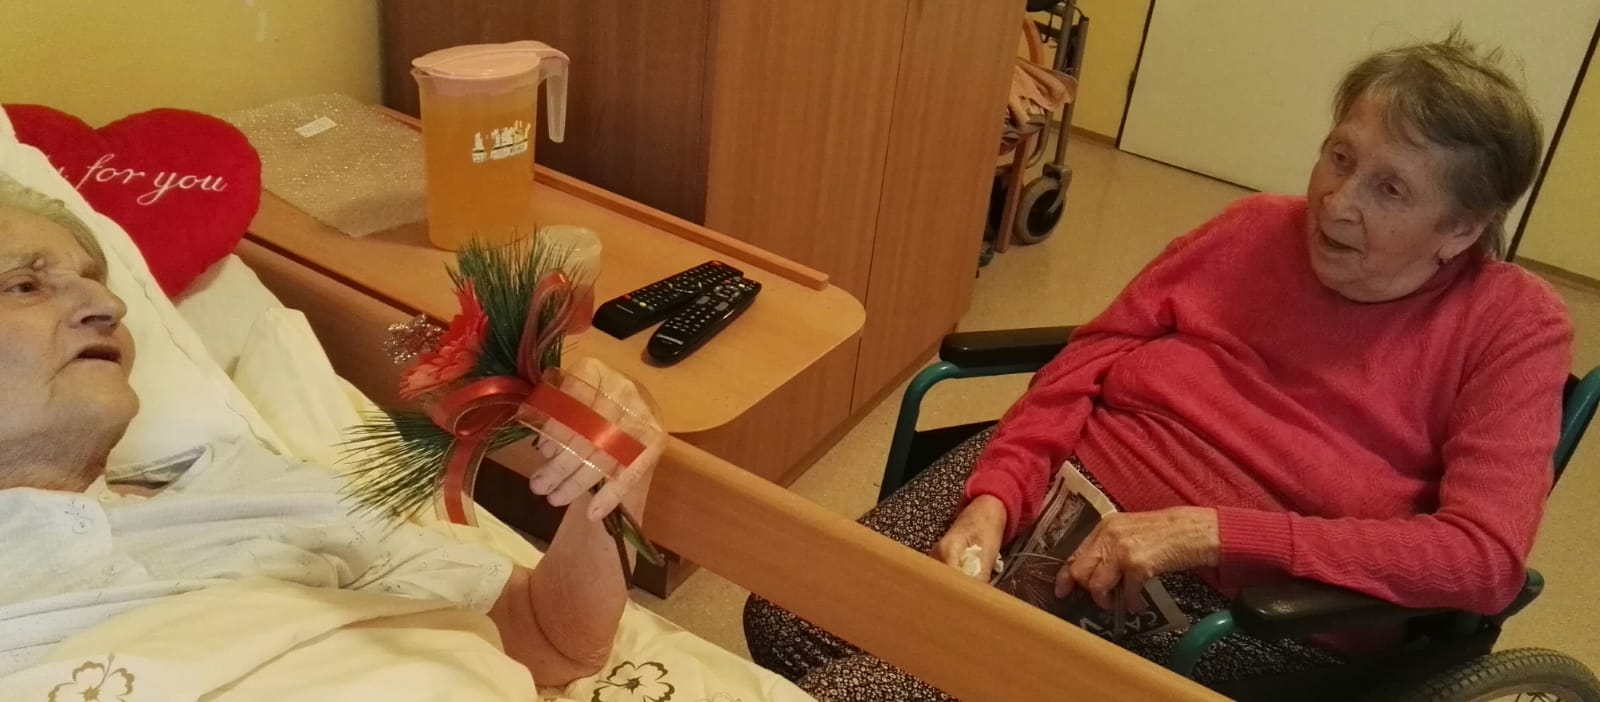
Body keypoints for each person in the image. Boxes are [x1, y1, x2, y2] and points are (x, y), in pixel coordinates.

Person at [745, 33, 1574, 700]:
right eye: (1340, 156)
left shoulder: (1511, 326)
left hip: (1237, 607)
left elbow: (1482, 558)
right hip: (1063, 489)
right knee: (786, 612)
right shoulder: (1253, 229)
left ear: (1461, 228)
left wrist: (1206, 531)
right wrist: (1000, 493)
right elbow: (1090, 358)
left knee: (853, 691)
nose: (1337, 199)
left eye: (1390, 190)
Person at [0, 169, 665, 688]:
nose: (109, 304)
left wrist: (608, 484)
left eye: (96, 280)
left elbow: (551, 639)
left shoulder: (257, 489)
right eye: (24, 285)